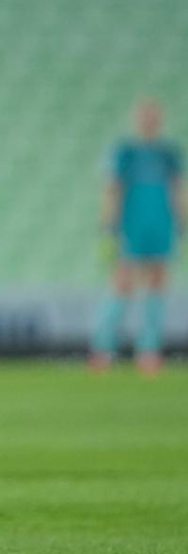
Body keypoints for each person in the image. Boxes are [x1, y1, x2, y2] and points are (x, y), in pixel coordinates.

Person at [90, 99, 183, 374]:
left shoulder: (169, 154)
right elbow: (111, 190)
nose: (148, 121)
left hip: (161, 223)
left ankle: (149, 350)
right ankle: (103, 348)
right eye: (144, 116)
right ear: (136, 119)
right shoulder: (124, 152)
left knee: (157, 283)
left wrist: (183, 225)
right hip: (131, 225)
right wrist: (107, 228)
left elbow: (178, 191)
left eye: (153, 116)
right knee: (122, 283)